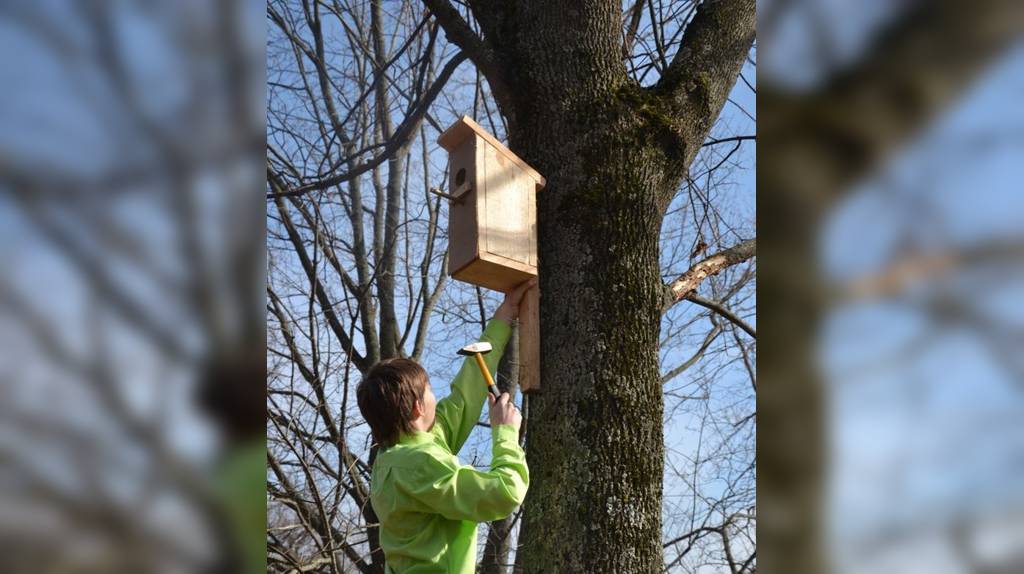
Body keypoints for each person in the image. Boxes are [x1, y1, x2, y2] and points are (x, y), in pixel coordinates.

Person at [356, 278, 536, 573]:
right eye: (429, 391)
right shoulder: (417, 464)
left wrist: (504, 315)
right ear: (417, 408)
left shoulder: (402, 455)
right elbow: (505, 492)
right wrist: (505, 434)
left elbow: (466, 396)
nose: (435, 397)